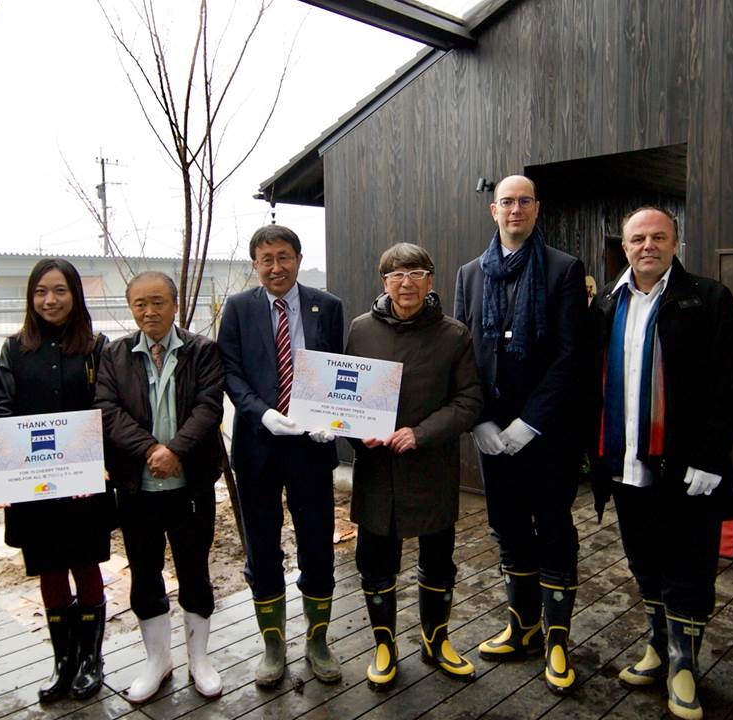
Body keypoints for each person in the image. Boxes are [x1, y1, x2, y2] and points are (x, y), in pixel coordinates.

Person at [590, 207, 733, 720]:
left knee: (689, 566)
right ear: (626, 246)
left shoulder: (707, 299)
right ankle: (658, 649)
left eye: (659, 237)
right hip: (627, 464)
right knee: (645, 562)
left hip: (684, 469)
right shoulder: (610, 306)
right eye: (638, 238)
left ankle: (684, 665)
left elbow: (729, 386)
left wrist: (710, 458)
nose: (648, 246)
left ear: (676, 242)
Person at [453, 174, 587, 695]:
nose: (515, 210)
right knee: (507, 527)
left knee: (552, 527)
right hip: (491, 434)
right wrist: (481, 420)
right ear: (493, 210)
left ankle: (556, 639)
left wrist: (530, 422)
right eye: (506, 202)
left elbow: (572, 356)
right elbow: (463, 351)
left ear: (536, 209)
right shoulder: (469, 274)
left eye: (523, 201)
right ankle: (522, 625)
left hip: (546, 432)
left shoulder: (563, 269)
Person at [345, 243, 483, 690]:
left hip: (431, 465)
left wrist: (421, 433)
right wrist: (354, 430)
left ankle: (436, 639)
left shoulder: (453, 334)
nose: (407, 283)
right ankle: (384, 646)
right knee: (375, 561)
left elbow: (469, 400)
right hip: (377, 469)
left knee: (438, 561)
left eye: (417, 273)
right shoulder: (361, 330)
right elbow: (345, 394)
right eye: (396, 275)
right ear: (383, 283)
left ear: (431, 280)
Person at [217, 224, 345, 687]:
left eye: (284, 256)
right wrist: (260, 414)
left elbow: (339, 369)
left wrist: (330, 421)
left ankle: (318, 640)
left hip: (312, 448)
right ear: (255, 263)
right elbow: (229, 371)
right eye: (266, 258)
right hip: (258, 447)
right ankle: (273, 646)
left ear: (297, 257)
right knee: (262, 547)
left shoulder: (327, 306)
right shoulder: (237, 309)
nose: (276, 266)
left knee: (317, 541)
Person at [95, 271, 226, 704]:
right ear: (131, 307)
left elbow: (209, 406)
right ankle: (157, 660)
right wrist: (151, 449)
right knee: (144, 572)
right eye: (140, 304)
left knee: (195, 569)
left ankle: (200, 659)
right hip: (138, 486)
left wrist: (177, 451)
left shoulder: (202, 351)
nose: (149, 312)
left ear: (174, 304)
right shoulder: (114, 355)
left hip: (190, 483)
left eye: (158, 302)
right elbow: (107, 410)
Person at [0, 258, 116, 702]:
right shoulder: (13, 350)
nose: (50, 300)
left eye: (60, 290)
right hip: (33, 484)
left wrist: (97, 460)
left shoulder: (96, 347)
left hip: (84, 479)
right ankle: (63, 662)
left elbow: (106, 407)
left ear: (75, 294)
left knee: (86, 564)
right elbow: (2, 411)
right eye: (41, 291)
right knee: (48, 568)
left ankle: (91, 659)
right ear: (31, 297)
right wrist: (5, 471)